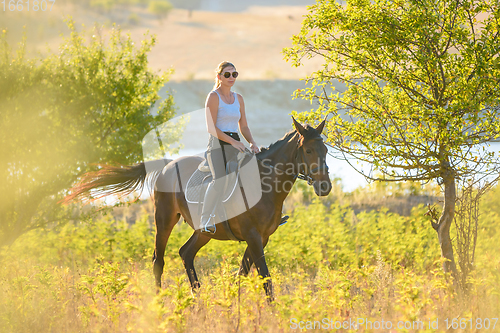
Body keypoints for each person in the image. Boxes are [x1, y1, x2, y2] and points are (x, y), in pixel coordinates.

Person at [200, 61, 260, 233]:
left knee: (257, 171)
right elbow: (211, 128)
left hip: (236, 144)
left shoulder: (239, 98)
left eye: (234, 74)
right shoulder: (213, 97)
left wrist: (252, 142)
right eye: (227, 74)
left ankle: (266, 215)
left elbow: (244, 127)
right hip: (217, 145)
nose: (231, 77)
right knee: (219, 179)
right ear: (219, 77)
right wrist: (233, 142)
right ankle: (205, 219)